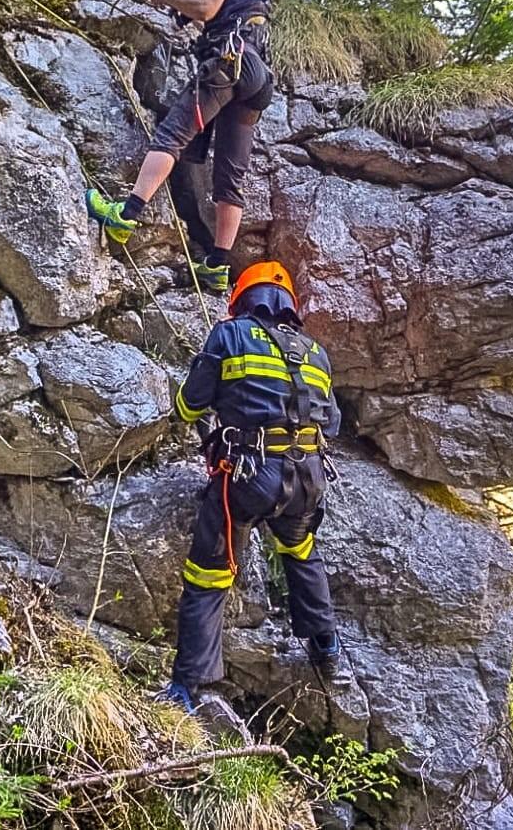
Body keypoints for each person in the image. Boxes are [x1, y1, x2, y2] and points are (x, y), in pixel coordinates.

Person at [157, 261, 343, 713]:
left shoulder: (229, 334)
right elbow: (331, 422)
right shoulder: (315, 351)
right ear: (289, 306)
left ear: (241, 297)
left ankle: (187, 685)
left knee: (210, 569)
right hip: (308, 480)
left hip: (249, 478)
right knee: (299, 550)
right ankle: (326, 645)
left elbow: (189, 406)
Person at [84, 0, 277, 294]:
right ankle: (219, 265)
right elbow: (199, 6)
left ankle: (126, 214)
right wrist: (175, 3)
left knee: (171, 135)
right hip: (256, 78)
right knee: (230, 175)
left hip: (228, 62)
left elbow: (206, 7)